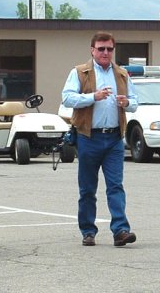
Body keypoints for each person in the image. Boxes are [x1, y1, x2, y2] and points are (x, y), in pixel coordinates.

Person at [61, 31, 138, 246]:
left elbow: (135, 101)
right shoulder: (79, 72)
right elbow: (67, 98)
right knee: (87, 188)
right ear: (92, 50)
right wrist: (92, 97)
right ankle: (88, 231)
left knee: (115, 186)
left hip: (113, 138)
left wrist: (126, 103)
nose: (105, 53)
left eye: (109, 49)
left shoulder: (121, 74)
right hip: (88, 137)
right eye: (101, 48)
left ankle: (121, 230)